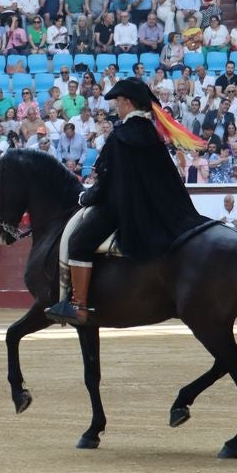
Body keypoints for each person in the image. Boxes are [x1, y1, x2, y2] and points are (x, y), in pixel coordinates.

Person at [47, 78, 207, 325]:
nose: (116, 108)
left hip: (124, 208)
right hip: (158, 208)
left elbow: (108, 181)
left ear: (128, 103)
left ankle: (78, 306)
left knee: (79, 242)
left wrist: (86, 196)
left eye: (119, 102)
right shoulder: (153, 135)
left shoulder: (121, 136)